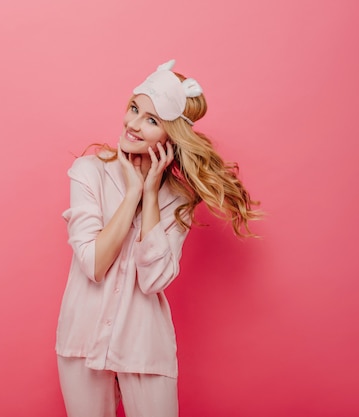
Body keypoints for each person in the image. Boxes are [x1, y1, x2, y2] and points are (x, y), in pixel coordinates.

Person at [56, 59, 260, 417]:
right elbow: (93, 263)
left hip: (144, 346)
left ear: (170, 135)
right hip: (82, 341)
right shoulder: (88, 173)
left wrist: (150, 196)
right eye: (134, 108)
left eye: (151, 120)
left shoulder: (178, 198)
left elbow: (152, 281)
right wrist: (132, 193)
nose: (133, 124)